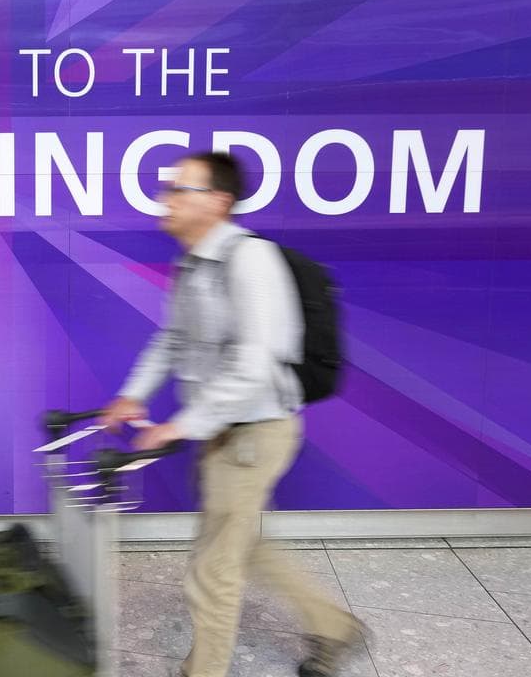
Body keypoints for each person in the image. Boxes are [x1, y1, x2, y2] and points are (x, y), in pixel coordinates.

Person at [101, 151, 363, 677]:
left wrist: (181, 425)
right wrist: (134, 394)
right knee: (242, 545)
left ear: (218, 201)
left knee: (213, 569)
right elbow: (173, 339)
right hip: (222, 432)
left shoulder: (250, 262)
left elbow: (254, 365)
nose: (167, 199)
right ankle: (334, 626)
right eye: (169, 189)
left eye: (181, 190)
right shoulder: (192, 264)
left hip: (255, 435)